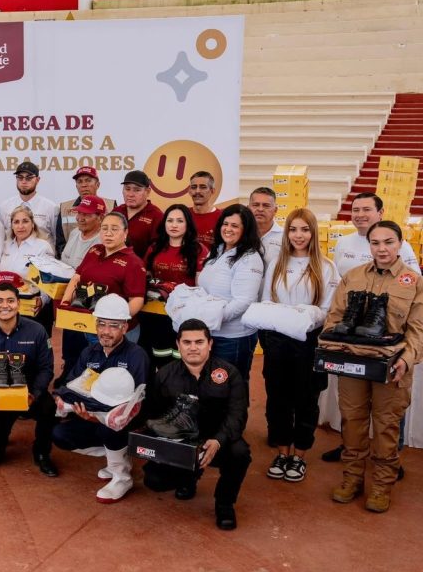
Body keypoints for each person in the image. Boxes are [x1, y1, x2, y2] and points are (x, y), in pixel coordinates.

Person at [325, 220, 422, 513]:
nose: (382, 249)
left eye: (388, 242)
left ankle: (381, 486)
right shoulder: (353, 276)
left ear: (400, 244)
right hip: (354, 363)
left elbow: (417, 330)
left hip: (392, 368)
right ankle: (352, 479)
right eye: (375, 243)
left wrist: (406, 360)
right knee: (352, 423)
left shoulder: (414, 282)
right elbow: (334, 318)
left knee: (386, 427)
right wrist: (335, 348)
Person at [141, 319, 251, 531]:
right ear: (178, 344)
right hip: (181, 439)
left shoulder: (230, 373)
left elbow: (237, 415)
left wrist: (218, 441)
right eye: (187, 342)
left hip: (217, 438)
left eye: (199, 342)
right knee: (154, 481)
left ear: (210, 344)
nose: (193, 347)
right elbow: (154, 413)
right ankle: (188, 478)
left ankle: (224, 504)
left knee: (240, 453)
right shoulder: (164, 375)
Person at [259, 208, 337, 483]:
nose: (298, 235)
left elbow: (327, 310)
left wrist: (302, 317)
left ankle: (299, 456)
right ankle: (282, 453)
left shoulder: (326, 267)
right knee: (277, 399)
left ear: (313, 232)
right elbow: (267, 301)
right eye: (293, 229)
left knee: (306, 401)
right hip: (278, 342)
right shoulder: (276, 264)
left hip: (309, 343)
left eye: (305, 229)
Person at [53, 294, 150, 502]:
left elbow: (135, 402)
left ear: (125, 327)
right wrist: (62, 400)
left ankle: (121, 476)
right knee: (59, 434)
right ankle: (115, 456)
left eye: (113, 326)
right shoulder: (89, 352)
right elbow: (71, 385)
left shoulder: (136, 355)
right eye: (102, 324)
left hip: (127, 421)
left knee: (111, 426)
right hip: (92, 414)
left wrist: (98, 415)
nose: (106, 331)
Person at [0, 283, 58, 477]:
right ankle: (2, 431)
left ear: (18, 304)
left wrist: (35, 393)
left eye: (10, 300)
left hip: (29, 391)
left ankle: (42, 452)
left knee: (49, 407)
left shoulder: (37, 330)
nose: (5, 306)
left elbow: (46, 368)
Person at [59, 211, 146, 362]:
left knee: (107, 370)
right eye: (104, 228)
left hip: (112, 332)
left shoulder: (133, 263)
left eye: (114, 229)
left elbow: (137, 300)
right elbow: (77, 277)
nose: (108, 233)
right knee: (78, 366)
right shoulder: (94, 250)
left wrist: (114, 324)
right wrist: (65, 303)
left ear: (125, 233)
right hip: (84, 322)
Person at [197, 204, 263, 385]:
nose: (228, 229)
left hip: (233, 338)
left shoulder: (250, 258)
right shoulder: (217, 250)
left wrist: (210, 319)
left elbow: (243, 301)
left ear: (245, 230)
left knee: (232, 388)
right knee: (212, 387)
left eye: (235, 225)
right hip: (211, 333)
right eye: (225, 224)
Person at [141, 204, 209, 369]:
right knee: (157, 357)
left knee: (180, 360)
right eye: (170, 220)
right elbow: (145, 277)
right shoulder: (155, 247)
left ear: (188, 224)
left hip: (183, 315)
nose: (174, 225)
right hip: (154, 314)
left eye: (179, 221)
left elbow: (201, 287)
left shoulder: (199, 250)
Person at [0, 205, 55, 335]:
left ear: (32, 224)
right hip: (6, 306)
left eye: (25, 221)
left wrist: (42, 299)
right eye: (16, 222)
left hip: (31, 306)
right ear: (11, 225)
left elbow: (48, 278)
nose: (20, 226)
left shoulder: (42, 246)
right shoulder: (5, 246)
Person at [334, 192, 421, 276]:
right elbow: (335, 277)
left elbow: (414, 279)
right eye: (356, 210)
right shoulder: (343, 242)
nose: (360, 215)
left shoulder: (398, 245)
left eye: (366, 209)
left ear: (380, 212)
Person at [56, 166, 116, 258]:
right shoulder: (64, 207)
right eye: (80, 181)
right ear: (76, 186)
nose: (84, 185)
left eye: (88, 180)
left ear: (98, 184)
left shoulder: (111, 205)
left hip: (102, 259)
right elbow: (60, 242)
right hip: (70, 261)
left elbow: (117, 237)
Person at [0, 161, 58, 250]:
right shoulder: (5, 207)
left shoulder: (51, 208)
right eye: (20, 178)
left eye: (29, 178)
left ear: (37, 180)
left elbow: (57, 239)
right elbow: (1, 237)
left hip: (42, 256)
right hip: (12, 255)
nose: (24, 182)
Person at [112, 170, 163, 259]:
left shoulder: (157, 216)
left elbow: (159, 250)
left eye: (137, 190)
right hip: (113, 264)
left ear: (148, 191)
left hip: (141, 266)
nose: (130, 194)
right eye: (127, 189)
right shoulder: (116, 211)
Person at [60, 194, 105, 270]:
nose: (80, 218)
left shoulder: (105, 242)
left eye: (86, 214)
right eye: (79, 213)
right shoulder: (74, 232)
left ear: (100, 218)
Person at [248, 187, 283, 263]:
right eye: (256, 205)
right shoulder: (240, 234)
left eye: (266, 205)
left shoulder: (285, 237)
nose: (260, 209)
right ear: (248, 208)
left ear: (275, 210)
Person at [188, 171, 221, 248]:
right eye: (194, 187)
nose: (197, 191)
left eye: (203, 187)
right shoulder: (183, 215)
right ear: (189, 191)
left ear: (212, 191)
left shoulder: (222, 217)